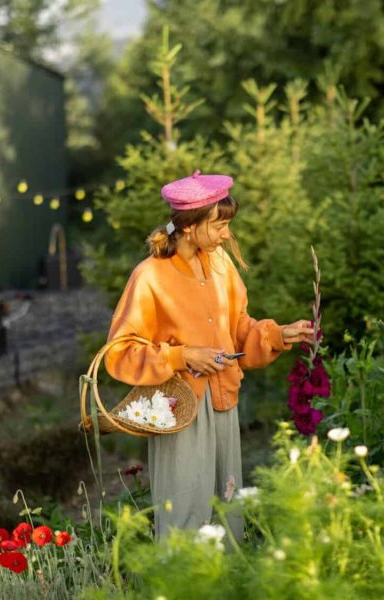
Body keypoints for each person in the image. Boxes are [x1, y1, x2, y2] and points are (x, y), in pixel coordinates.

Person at [104, 170, 315, 540]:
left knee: (227, 508)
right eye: (219, 225)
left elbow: (239, 329)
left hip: (223, 402)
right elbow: (120, 353)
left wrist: (278, 334)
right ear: (188, 226)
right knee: (185, 515)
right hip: (180, 407)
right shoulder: (149, 277)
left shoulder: (221, 265)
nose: (226, 234)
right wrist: (181, 356)